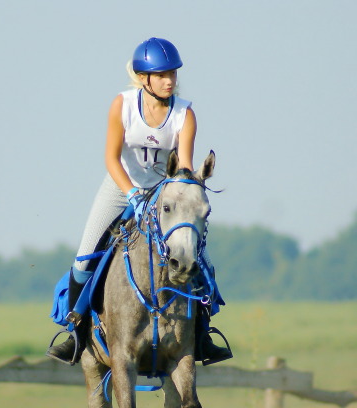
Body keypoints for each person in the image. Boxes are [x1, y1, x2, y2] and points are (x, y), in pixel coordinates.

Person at [46, 37, 232, 366]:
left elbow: (184, 168)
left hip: (164, 192)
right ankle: (74, 330)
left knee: (195, 257)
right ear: (144, 78)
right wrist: (132, 193)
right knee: (85, 256)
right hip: (119, 187)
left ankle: (202, 336)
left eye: (173, 74)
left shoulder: (185, 113)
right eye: (161, 75)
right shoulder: (122, 104)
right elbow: (111, 158)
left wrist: (175, 194)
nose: (170, 80)